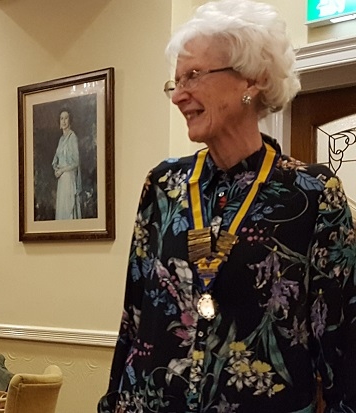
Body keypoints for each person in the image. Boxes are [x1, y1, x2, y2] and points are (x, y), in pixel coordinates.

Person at [98, 1, 356, 412]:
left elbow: (342, 341)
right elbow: (134, 316)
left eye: (194, 76)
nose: (179, 95)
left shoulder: (311, 193)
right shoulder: (163, 185)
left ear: (251, 80)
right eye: (175, 82)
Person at [52, 108, 82, 220]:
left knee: (69, 210)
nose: (64, 121)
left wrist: (62, 170)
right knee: (62, 210)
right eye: (61, 118)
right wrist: (56, 169)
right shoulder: (61, 139)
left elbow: (76, 162)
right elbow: (56, 159)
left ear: (70, 120)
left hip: (69, 177)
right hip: (61, 180)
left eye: (66, 118)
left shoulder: (72, 137)